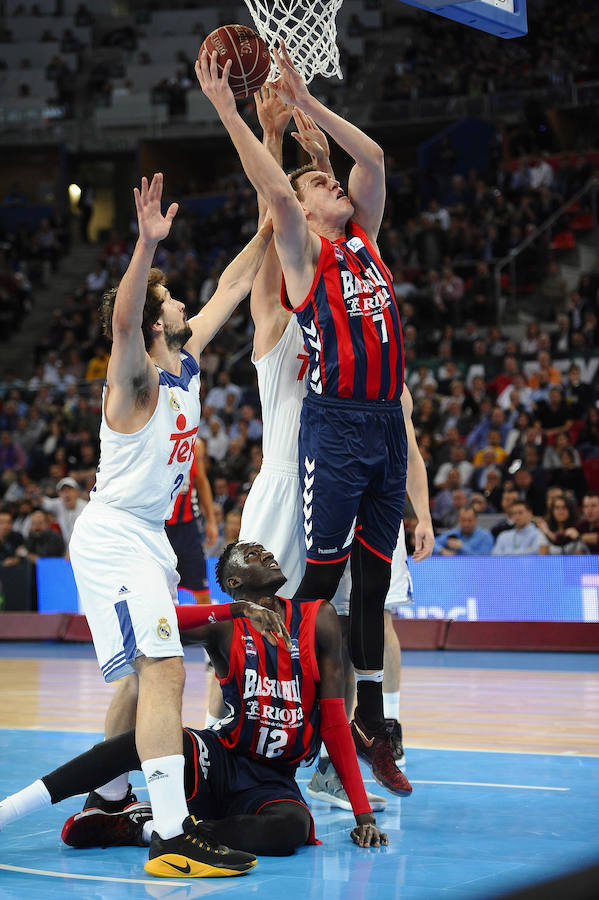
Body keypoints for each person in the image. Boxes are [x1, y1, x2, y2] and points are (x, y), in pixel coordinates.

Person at [198, 44, 410, 793]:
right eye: (321, 185)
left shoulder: (362, 245)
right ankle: (238, 736)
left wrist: (307, 123)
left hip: (369, 436)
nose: (330, 186)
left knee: (367, 604)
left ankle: (357, 737)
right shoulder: (285, 288)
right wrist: (249, 121)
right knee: (270, 620)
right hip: (302, 463)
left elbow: (368, 165)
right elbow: (276, 210)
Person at [67, 172, 274, 878]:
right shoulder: (135, 379)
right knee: (164, 670)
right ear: (158, 318)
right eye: (171, 297)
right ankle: (170, 831)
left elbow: (233, 288)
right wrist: (144, 246)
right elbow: (124, 322)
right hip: (115, 532)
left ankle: (105, 801)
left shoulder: (183, 363)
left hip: (149, 536)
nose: (186, 300)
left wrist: (278, 215)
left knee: (136, 681)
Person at [0, 543, 387, 856]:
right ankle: (10, 810)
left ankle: (151, 829)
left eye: (265, 551)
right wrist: (235, 610)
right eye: (252, 555)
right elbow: (154, 621)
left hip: (272, 779)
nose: (267, 554)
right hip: (218, 758)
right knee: (138, 743)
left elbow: (335, 720)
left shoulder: (317, 617)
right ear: (235, 581)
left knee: (291, 829)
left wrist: (362, 813)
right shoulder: (224, 626)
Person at [165, 438, 217, 604]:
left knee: (202, 592)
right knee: (161, 594)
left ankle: (209, 630)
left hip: (189, 528)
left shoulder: (195, 444)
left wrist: (211, 521)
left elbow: (201, 481)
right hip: (160, 528)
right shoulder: (154, 438)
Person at [40, 476, 87, 545]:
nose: (66, 494)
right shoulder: (59, 504)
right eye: (63, 491)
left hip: (84, 547)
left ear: (77, 492)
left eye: (69, 490)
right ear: (59, 494)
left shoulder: (86, 507)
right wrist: (35, 494)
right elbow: (44, 502)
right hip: (66, 549)